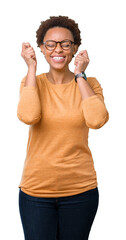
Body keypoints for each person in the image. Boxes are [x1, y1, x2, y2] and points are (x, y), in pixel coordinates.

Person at [17, 15, 109, 240]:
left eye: (65, 44)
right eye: (50, 44)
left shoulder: (89, 84)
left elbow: (97, 120)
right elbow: (28, 116)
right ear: (41, 48)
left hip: (81, 190)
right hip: (36, 192)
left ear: (75, 47)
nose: (58, 49)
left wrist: (79, 75)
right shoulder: (32, 83)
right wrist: (31, 68)